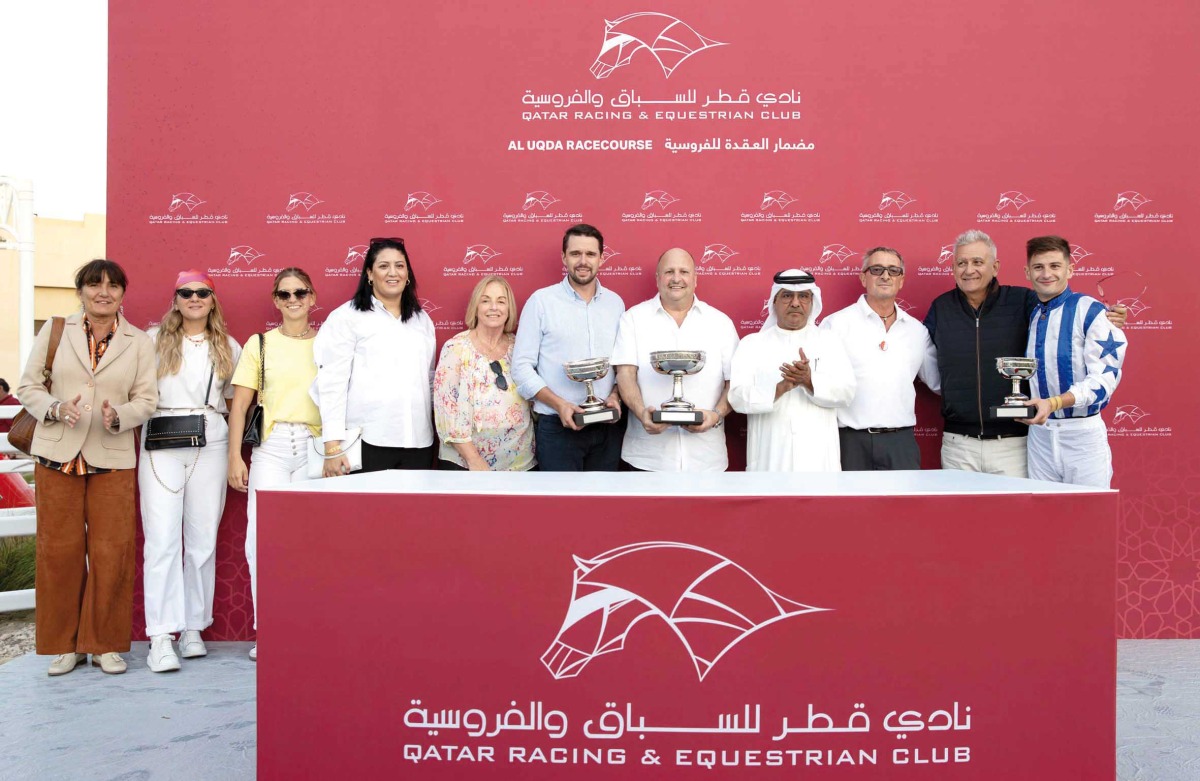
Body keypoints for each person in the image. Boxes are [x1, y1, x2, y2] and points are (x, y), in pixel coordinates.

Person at [16, 259, 157, 676]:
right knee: (58, 552)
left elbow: (147, 400)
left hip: (111, 457)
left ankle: (105, 645)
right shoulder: (55, 330)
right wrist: (56, 408)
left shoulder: (138, 342)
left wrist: (120, 416)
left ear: (122, 294)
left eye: (113, 285)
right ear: (80, 291)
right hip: (56, 455)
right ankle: (65, 646)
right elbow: (28, 386)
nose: (103, 292)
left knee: (112, 552)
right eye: (94, 284)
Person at [924, 229, 1125, 477]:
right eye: (961, 263)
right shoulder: (941, 307)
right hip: (959, 443)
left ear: (995, 267)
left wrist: (1110, 317)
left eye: (977, 262)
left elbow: (1062, 308)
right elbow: (926, 360)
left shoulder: (1025, 301)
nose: (969, 270)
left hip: (1017, 442)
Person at [139, 270, 241, 673]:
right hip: (161, 439)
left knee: (202, 540)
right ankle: (161, 635)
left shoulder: (228, 346)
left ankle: (193, 627)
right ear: (175, 299)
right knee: (161, 538)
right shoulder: (152, 340)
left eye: (202, 292)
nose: (194, 298)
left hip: (210, 440)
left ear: (212, 299)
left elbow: (234, 399)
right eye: (186, 292)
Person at [228, 268, 322, 662]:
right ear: (275, 301)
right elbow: (240, 404)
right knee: (260, 541)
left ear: (312, 297)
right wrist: (235, 455)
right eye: (285, 294)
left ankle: (308, 628)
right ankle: (268, 630)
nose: (293, 299)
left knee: (311, 544)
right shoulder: (260, 344)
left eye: (300, 292)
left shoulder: (328, 343)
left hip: (316, 447)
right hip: (272, 446)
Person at [313, 237, 436, 474]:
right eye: (383, 266)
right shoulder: (346, 318)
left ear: (408, 274)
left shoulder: (422, 321)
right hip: (367, 442)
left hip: (419, 443)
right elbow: (331, 383)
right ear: (369, 274)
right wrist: (332, 445)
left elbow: (428, 380)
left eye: (399, 265)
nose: (393, 273)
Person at [612, 248, 739, 471]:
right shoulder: (633, 319)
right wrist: (642, 413)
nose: (676, 278)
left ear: (695, 279)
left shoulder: (720, 323)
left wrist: (716, 415)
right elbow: (625, 374)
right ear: (658, 278)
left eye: (684, 271)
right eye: (669, 271)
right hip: (648, 457)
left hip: (706, 458)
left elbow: (735, 382)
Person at [512, 224, 625, 471]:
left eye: (590, 254)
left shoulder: (615, 304)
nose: (583, 261)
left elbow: (622, 364)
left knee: (604, 496)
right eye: (575, 253)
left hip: (608, 428)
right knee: (559, 498)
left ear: (602, 258)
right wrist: (559, 404)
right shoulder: (541, 302)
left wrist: (615, 395)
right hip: (557, 429)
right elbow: (521, 367)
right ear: (564, 257)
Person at [1020, 235, 1126, 487]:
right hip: (1040, 438)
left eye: (1055, 266)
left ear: (1070, 270)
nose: (1046, 274)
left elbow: (1103, 381)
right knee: (1043, 510)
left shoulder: (1092, 311)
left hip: (1082, 437)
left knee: (1090, 510)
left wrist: (1054, 403)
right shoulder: (1032, 313)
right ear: (1027, 272)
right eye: (1038, 267)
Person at [821, 247, 939, 470]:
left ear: (901, 280)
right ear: (863, 277)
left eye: (893, 270)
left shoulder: (917, 331)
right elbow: (818, 384)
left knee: (906, 496)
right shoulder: (835, 325)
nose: (885, 276)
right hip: (849, 442)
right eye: (877, 269)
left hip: (901, 443)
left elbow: (939, 382)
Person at [729, 270, 856, 471]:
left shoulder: (829, 342)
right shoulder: (752, 344)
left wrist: (809, 381)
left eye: (803, 296)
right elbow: (737, 398)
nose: (795, 303)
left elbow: (846, 393)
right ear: (774, 301)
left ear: (812, 302)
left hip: (818, 461)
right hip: (770, 459)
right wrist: (779, 389)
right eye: (787, 295)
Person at [433, 275, 535, 471]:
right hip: (467, 465)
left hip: (520, 464)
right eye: (486, 300)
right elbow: (446, 410)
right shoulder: (455, 348)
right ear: (476, 307)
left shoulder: (520, 347)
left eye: (501, 301)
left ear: (509, 308)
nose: (494, 307)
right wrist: (474, 460)